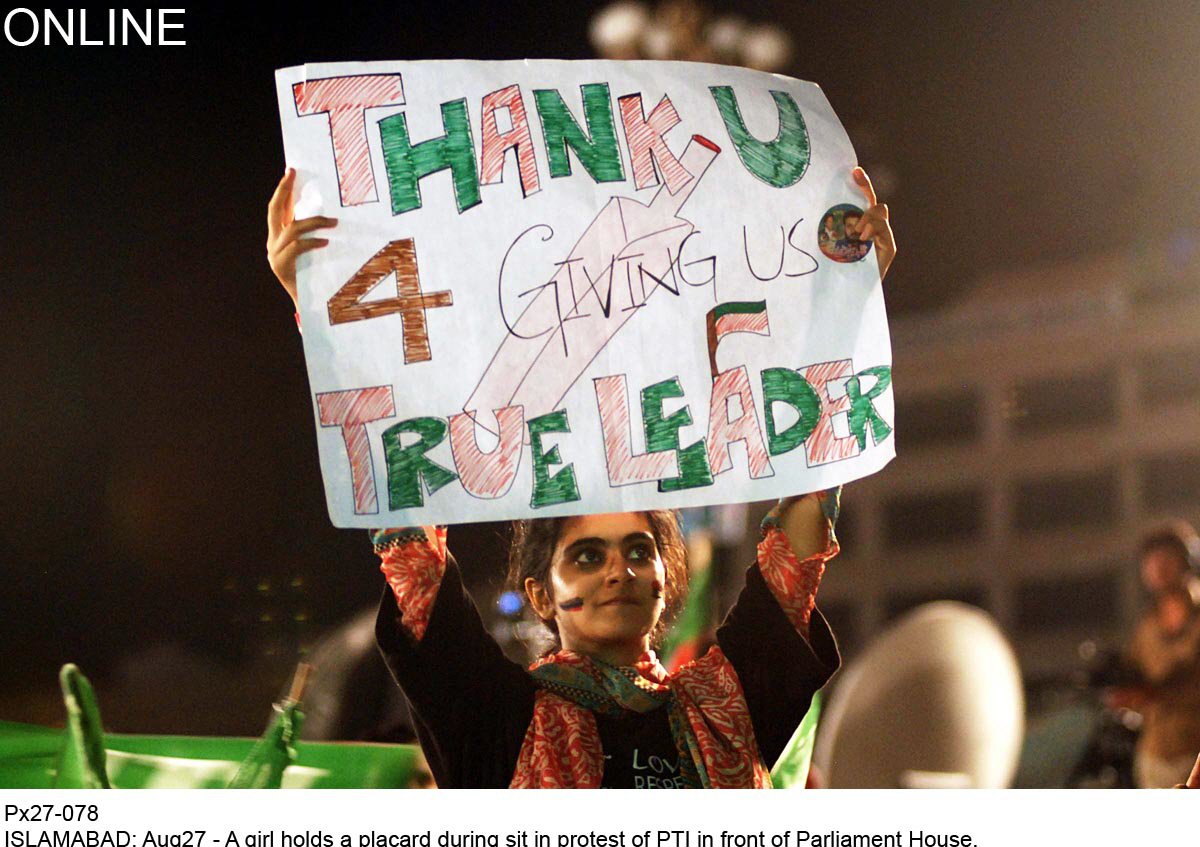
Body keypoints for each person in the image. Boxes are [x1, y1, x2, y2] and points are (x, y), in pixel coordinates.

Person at [266, 166, 896, 788]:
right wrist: (321, 311)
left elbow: (796, 552)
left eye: (638, 551)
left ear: (665, 577)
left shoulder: (728, 703)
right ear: (541, 594)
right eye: (587, 557)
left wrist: (849, 305)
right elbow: (412, 550)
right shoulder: (494, 715)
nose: (618, 571)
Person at [1115, 523, 1200, 788]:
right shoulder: (1147, 628)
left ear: (1186, 562)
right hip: (1155, 756)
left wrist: (1161, 691)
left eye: (1166, 559)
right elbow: (1132, 679)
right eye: (1151, 562)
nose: (1158, 568)